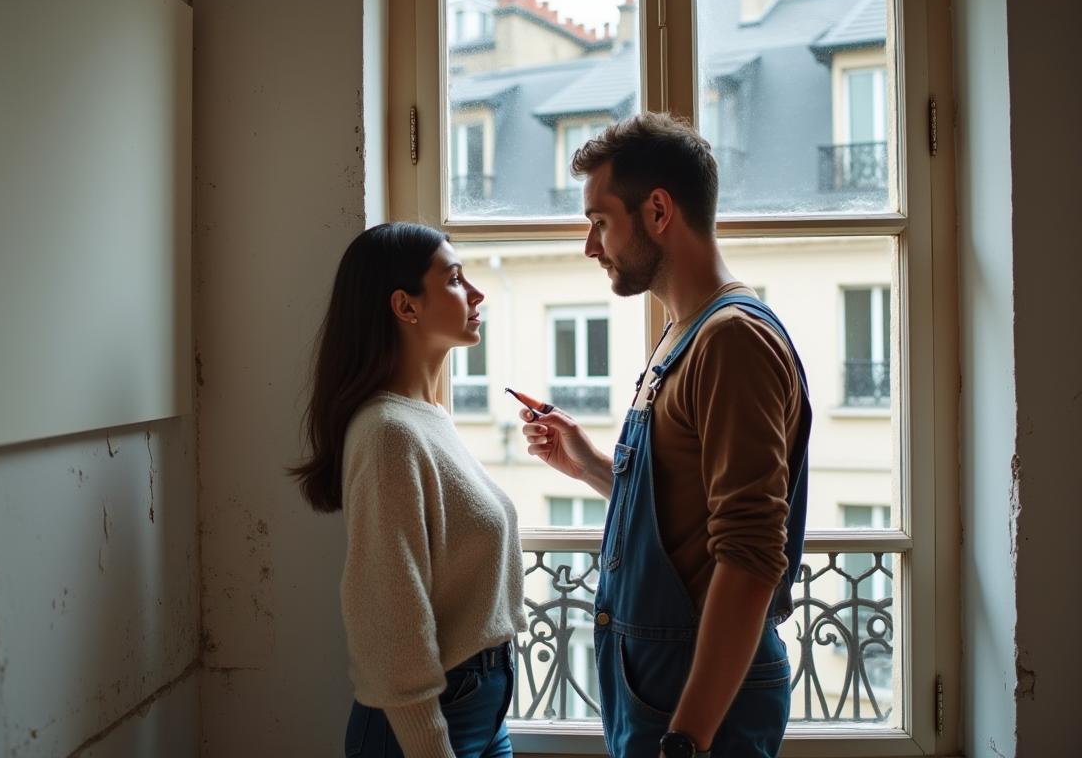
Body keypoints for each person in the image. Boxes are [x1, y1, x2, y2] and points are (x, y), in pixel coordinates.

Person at [519, 112, 811, 758]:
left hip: (700, 706)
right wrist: (592, 466)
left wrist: (688, 738)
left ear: (657, 211)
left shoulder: (732, 339)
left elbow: (749, 552)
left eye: (600, 222)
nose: (591, 247)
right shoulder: (684, 331)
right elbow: (684, 518)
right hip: (660, 687)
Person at [291, 223, 527, 758]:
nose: (476, 294)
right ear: (406, 306)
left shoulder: (429, 418)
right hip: (428, 726)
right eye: (455, 279)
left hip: (481, 708)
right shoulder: (388, 433)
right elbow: (389, 614)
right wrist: (428, 743)